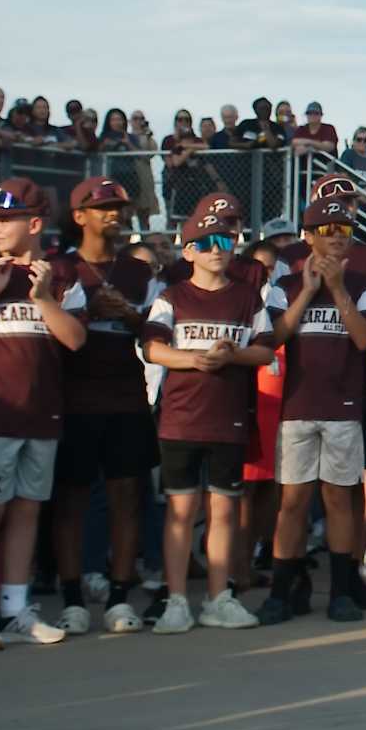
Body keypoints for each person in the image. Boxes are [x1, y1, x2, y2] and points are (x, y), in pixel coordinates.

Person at [0, 178, 88, 651]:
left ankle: (14, 609)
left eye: (7, 219)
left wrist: (43, 297)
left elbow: (75, 340)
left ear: (35, 224)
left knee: (27, 509)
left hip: (42, 414)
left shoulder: (63, 276)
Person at [140, 208, 279, 633]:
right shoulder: (172, 296)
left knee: (223, 510)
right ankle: (177, 599)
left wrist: (232, 355)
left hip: (229, 419)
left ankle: (220, 597)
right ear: (189, 251)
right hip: (180, 420)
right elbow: (152, 347)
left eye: (225, 241)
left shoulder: (246, 297)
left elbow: (265, 350)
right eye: (206, 243)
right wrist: (197, 360)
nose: (217, 250)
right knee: (181, 511)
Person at [50, 177, 163, 634]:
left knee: (126, 497)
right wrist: (89, 312)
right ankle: (73, 598)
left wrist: (130, 316)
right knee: (72, 500)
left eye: (117, 206)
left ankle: (119, 597)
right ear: (79, 216)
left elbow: (155, 335)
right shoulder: (59, 269)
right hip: (74, 397)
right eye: (102, 208)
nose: (113, 214)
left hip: (126, 396)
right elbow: (51, 334)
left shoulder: (139, 272)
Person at [261, 195, 366, 623]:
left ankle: (342, 591)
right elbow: (273, 336)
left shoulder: (364, 284)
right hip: (297, 408)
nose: (336, 240)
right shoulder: (285, 285)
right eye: (326, 232)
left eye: (344, 231)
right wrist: (310, 291)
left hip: (343, 407)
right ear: (308, 236)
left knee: (338, 499)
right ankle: (280, 590)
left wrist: (335, 289)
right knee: (292, 501)